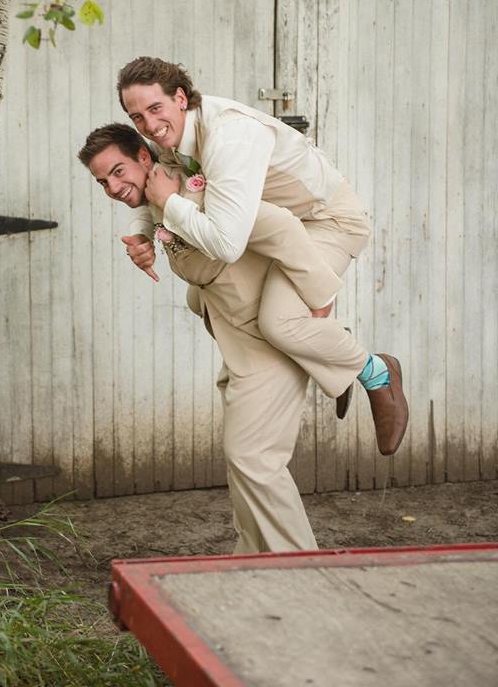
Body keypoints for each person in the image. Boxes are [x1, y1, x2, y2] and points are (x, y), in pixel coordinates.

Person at [116, 56, 408, 457]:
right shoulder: (170, 139)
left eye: (155, 109)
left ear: (180, 98)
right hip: (271, 228)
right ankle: (327, 359)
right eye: (137, 117)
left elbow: (226, 243)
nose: (149, 125)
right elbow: (151, 184)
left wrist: (170, 204)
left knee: (279, 321)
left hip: (324, 219)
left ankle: (375, 371)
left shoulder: (228, 135)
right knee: (201, 297)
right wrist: (141, 235)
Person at [78, 122, 320, 552]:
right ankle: (253, 561)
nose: (112, 187)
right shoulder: (160, 201)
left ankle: (301, 568)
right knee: (244, 464)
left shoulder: (199, 195)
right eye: (102, 181)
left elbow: (279, 229)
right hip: (237, 343)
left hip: (266, 343)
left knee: (254, 461)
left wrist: (320, 302)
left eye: (117, 172)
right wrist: (144, 234)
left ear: (145, 158)